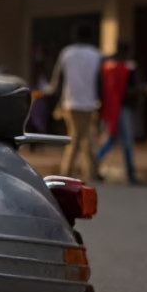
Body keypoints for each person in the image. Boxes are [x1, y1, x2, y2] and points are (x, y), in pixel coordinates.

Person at [48, 24, 103, 182]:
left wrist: (54, 97)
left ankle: (68, 171)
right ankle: (89, 171)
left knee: (76, 137)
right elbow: (100, 80)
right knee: (86, 137)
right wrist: (100, 100)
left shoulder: (67, 53)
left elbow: (58, 79)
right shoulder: (96, 54)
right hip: (89, 102)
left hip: (70, 102)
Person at [95, 41, 144, 185]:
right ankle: (130, 173)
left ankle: (94, 165)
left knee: (112, 139)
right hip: (123, 108)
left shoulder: (107, 65)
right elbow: (133, 89)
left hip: (110, 106)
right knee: (127, 141)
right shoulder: (128, 68)